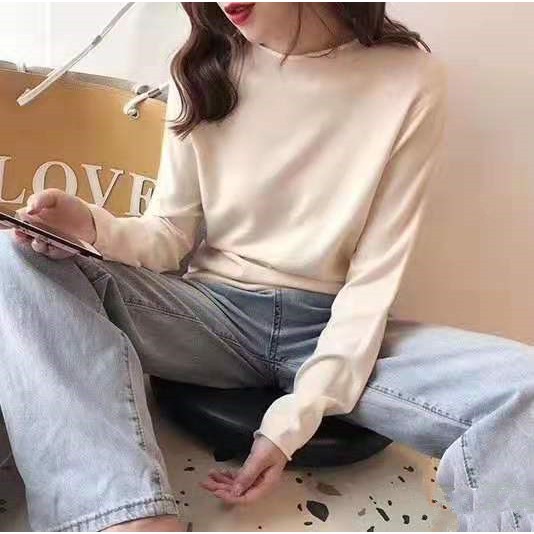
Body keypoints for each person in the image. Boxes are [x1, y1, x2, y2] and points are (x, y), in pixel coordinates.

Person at [1, 2, 533, 532]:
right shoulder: (202, 65)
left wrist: (289, 422)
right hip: (210, 317)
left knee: (524, 387)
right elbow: (168, 236)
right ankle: (126, 520)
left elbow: (373, 280)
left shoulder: (410, 79)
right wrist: (91, 227)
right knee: (14, 257)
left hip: (334, 328)